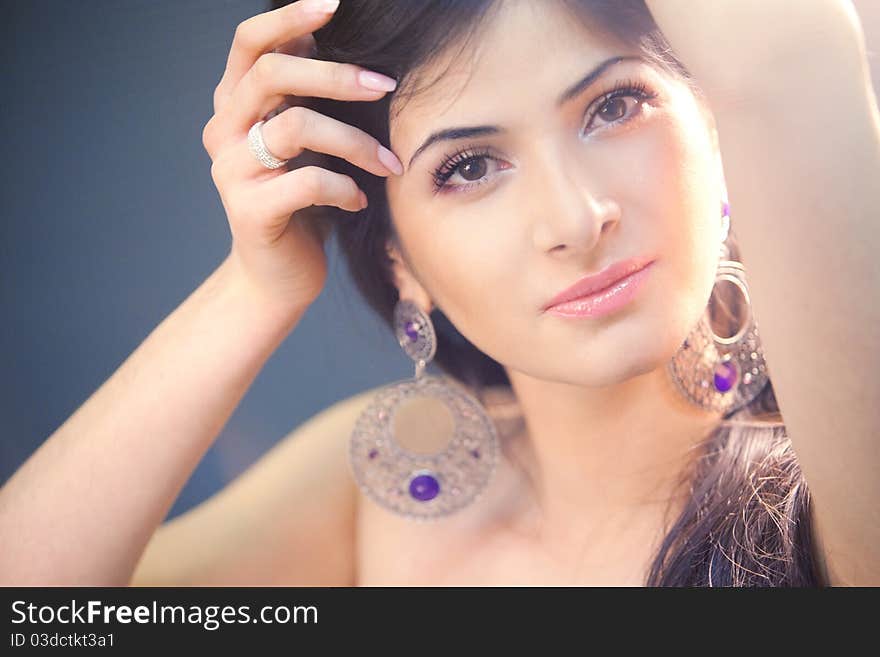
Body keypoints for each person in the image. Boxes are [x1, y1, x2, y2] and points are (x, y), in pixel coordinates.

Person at [1, 0, 877, 586]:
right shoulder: (375, 503)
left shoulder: (837, 484)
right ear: (399, 261)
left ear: (713, 124)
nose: (575, 218)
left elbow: (795, 56)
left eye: (613, 107)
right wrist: (256, 285)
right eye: (469, 167)